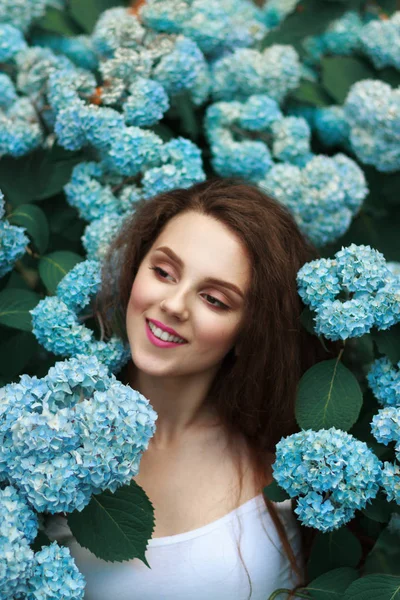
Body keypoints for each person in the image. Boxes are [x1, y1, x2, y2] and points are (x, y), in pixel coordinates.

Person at [45, 177, 332, 599]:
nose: (174, 305)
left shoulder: (288, 467)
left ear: (250, 329)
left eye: (215, 299)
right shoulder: (45, 442)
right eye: (163, 272)